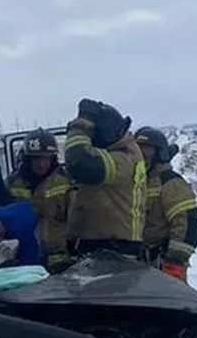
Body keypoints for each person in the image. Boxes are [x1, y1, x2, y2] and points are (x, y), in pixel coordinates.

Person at [63, 99, 147, 258]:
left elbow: (79, 163)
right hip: (104, 247)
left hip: (113, 250)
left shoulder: (123, 158)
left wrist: (81, 126)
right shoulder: (123, 152)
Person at [135, 126, 197, 281]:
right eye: (138, 148)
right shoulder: (134, 183)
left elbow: (188, 223)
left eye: (147, 149)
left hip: (162, 265)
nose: (142, 154)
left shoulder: (171, 183)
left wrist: (174, 262)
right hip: (135, 266)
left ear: (159, 153)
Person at [6, 128, 73, 271]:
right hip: (23, 258)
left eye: (46, 158)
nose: (42, 164)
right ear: (27, 159)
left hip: (60, 258)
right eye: (37, 159)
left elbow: (78, 217)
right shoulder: (12, 184)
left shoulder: (65, 181)